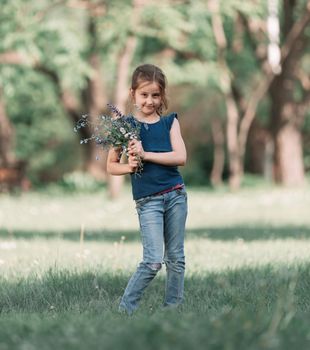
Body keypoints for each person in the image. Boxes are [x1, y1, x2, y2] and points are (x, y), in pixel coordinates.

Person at [107, 63, 188, 315]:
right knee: (153, 261)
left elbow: (181, 157)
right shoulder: (125, 128)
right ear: (133, 94)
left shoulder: (169, 123)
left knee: (175, 258)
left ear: (162, 95)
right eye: (144, 94)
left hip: (175, 195)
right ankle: (125, 309)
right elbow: (111, 166)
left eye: (155, 95)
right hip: (148, 201)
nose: (150, 100)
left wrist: (146, 154)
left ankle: (172, 311)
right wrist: (130, 166)